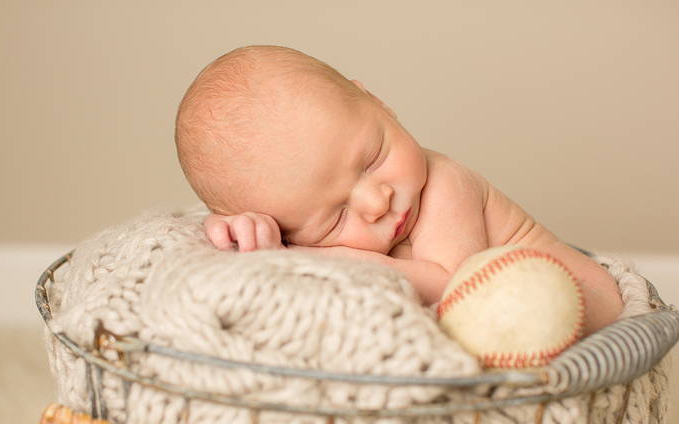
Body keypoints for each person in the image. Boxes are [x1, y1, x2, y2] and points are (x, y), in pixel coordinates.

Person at [175, 45, 622, 334]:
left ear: (379, 105)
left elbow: (455, 286)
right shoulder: (304, 228)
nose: (377, 201)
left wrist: (319, 256)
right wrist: (258, 236)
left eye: (372, 160)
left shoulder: (445, 183)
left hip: (587, 304)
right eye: (335, 218)